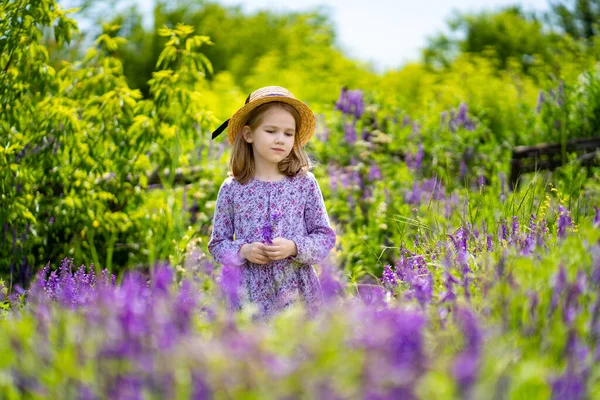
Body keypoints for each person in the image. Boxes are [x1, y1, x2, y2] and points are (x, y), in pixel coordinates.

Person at [207, 86, 336, 321]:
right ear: (248, 134)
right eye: (271, 130)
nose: (280, 139)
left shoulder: (304, 183)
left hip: (297, 293)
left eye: (288, 134)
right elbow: (217, 244)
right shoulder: (233, 188)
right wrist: (243, 250)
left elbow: (324, 237)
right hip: (249, 295)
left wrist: (294, 247)